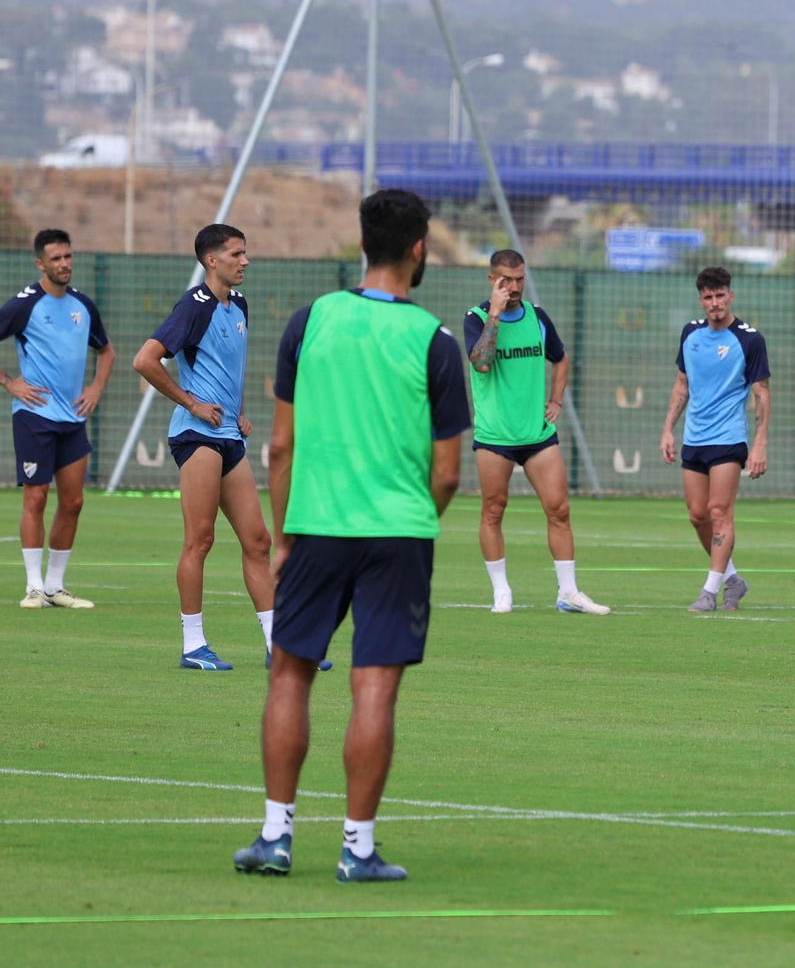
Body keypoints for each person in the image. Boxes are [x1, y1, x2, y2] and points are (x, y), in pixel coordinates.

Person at [233, 189, 470, 882]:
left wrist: (283, 536)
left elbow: (279, 446)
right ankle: (357, 847)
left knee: (290, 672)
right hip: (398, 532)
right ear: (419, 249)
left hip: (315, 526)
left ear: (362, 244)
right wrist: (411, 519)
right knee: (374, 688)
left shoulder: (310, 322)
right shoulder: (434, 340)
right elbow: (450, 471)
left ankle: (275, 835)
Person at [133, 225, 316, 672]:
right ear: (211, 260)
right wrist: (193, 402)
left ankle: (280, 649)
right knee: (201, 540)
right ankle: (193, 646)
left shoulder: (240, 305)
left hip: (227, 435)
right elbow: (145, 360)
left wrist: (237, 411)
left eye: (246, 252)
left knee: (258, 540)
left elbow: (223, 365)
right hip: (197, 437)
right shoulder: (194, 305)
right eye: (237, 253)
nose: (246, 260)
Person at [464, 249, 607, 615]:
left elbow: (560, 358)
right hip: (495, 436)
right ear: (492, 280)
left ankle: (568, 592)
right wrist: (494, 314)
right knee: (493, 510)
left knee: (559, 509)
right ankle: (501, 592)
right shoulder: (477, 318)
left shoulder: (538, 317)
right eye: (505, 280)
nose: (513, 287)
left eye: (519, 279)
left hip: (537, 435)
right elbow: (481, 363)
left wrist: (556, 399)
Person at [0, 229, 114, 609]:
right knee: (36, 498)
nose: (64, 264)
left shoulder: (83, 304)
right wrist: (10, 383)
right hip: (34, 416)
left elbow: (107, 351)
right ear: (40, 264)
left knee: (74, 501)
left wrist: (96, 388)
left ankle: (54, 587)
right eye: (56, 259)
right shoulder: (24, 304)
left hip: (73, 418)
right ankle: (33, 587)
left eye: (68, 256)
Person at [659, 266, 769, 612]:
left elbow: (762, 394)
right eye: (708, 297)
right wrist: (667, 429)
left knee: (720, 511)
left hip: (728, 439)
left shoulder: (749, 339)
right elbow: (682, 385)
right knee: (697, 515)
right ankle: (733, 580)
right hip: (695, 438)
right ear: (701, 300)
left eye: (720, 295)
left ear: (730, 296)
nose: (715, 303)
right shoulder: (690, 334)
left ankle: (709, 592)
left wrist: (760, 443)